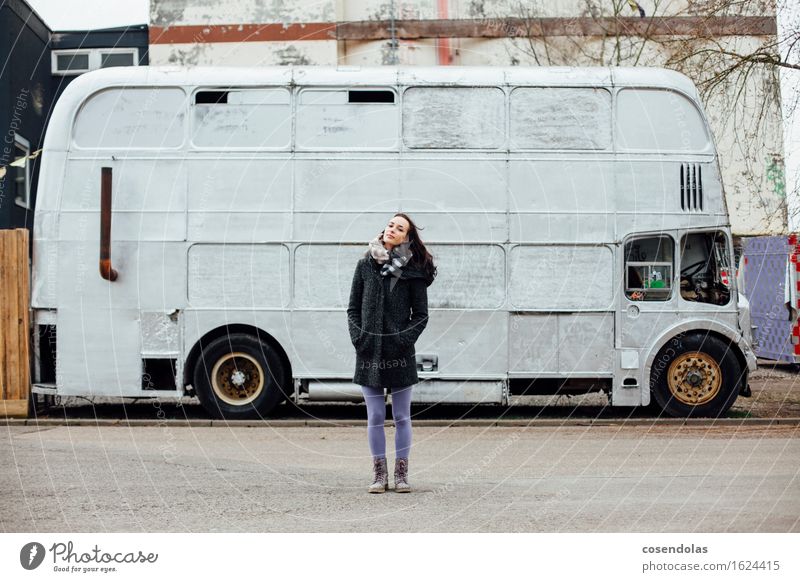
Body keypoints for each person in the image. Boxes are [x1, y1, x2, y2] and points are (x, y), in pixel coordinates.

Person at [347, 213, 437, 493]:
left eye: (400, 228)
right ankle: (378, 475)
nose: (392, 230)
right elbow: (352, 308)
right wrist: (359, 339)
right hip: (369, 352)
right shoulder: (365, 265)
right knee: (374, 416)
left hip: (399, 353)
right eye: (390, 225)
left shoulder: (413, 271)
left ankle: (400, 475)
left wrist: (402, 339)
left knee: (401, 416)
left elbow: (420, 316)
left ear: (407, 238)